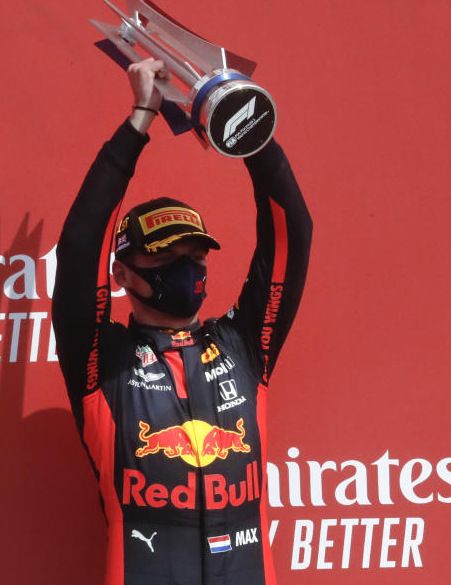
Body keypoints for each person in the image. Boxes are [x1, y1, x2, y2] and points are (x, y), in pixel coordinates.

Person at [53, 58, 312, 585]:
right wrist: (140, 118)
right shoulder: (103, 362)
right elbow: (82, 248)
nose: (187, 270)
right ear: (123, 273)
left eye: (196, 256)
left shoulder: (245, 346)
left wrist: (248, 130)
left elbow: (292, 234)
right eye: (167, 259)